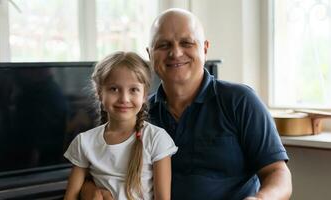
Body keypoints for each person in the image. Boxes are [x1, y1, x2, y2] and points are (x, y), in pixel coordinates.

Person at [80, 8, 292, 200]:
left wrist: (260, 199)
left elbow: (277, 173)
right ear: (149, 54)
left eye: (186, 43)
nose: (176, 53)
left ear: (205, 48)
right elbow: (97, 166)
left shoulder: (241, 101)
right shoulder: (137, 113)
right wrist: (90, 189)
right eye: (163, 45)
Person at [63, 51, 178, 200]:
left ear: (144, 95)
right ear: (99, 93)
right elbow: (70, 196)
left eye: (133, 90)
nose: (124, 98)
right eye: (114, 89)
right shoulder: (84, 142)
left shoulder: (156, 138)